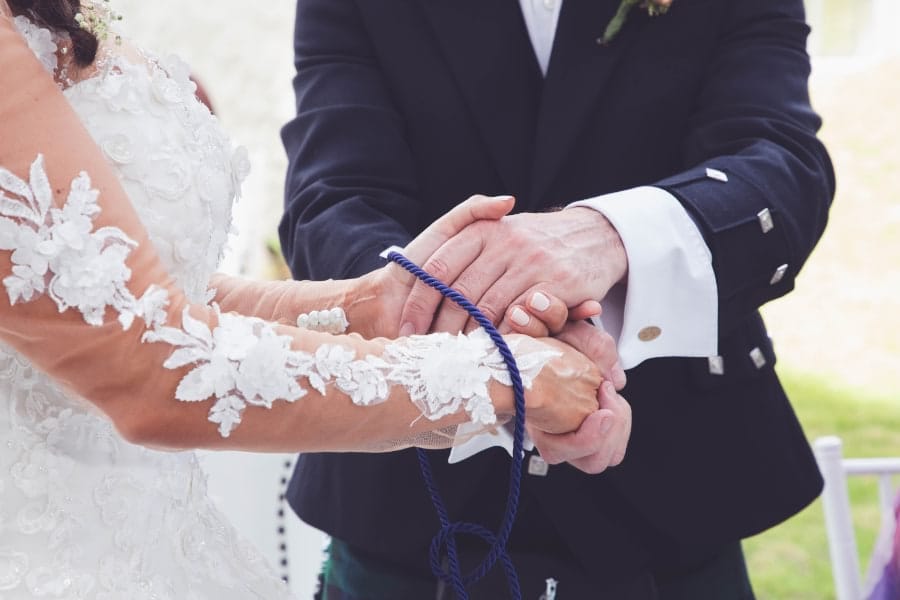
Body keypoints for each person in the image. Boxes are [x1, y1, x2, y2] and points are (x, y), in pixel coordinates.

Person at [0, 2, 615, 598]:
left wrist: (369, 304)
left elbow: (124, 297)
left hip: (161, 547)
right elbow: (149, 366)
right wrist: (508, 374)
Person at [280, 0, 836, 597]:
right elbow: (333, 202)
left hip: (675, 491)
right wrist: (511, 344)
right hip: (408, 503)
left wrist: (606, 238)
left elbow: (780, 169)